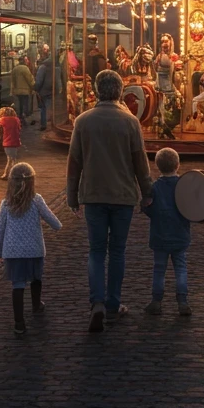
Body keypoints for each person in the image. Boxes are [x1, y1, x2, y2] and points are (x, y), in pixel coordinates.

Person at [67, 69, 154, 332]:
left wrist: (72, 195)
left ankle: (97, 303)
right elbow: (140, 162)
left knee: (95, 250)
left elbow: (74, 162)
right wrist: (147, 192)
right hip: (122, 195)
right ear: (120, 91)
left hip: (93, 194)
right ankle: (114, 304)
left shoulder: (83, 121)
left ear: (95, 90)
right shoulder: (130, 122)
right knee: (117, 251)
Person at [0, 162, 63, 335]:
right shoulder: (36, 200)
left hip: (13, 252)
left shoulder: (6, 204)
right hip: (34, 250)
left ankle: (19, 323)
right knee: (36, 278)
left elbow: (0, 230)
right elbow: (54, 223)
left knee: (17, 285)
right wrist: (58, 225)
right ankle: (36, 304)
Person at [143, 148, 193, 317]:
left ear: (157, 166)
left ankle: (156, 301)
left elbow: (148, 209)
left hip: (160, 235)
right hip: (180, 234)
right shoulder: (184, 186)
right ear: (178, 165)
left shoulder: (155, 187)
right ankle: (183, 301)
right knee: (180, 268)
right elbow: (191, 210)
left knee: (159, 269)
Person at [0, 107, 22, 180]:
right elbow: (19, 128)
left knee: (10, 159)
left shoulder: (3, 119)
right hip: (15, 141)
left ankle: (8, 174)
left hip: (7, 142)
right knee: (13, 159)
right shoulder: (16, 119)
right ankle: (11, 174)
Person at [11, 57, 35, 126]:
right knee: (25, 105)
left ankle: (19, 118)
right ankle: (25, 119)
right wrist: (33, 86)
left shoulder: (15, 69)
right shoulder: (25, 69)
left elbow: (13, 80)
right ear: (24, 61)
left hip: (17, 91)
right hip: (25, 91)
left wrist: (13, 90)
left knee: (19, 105)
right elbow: (29, 79)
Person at [34, 50, 54, 130]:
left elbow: (39, 80)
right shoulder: (54, 66)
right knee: (50, 107)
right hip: (51, 89)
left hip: (44, 91)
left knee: (43, 108)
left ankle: (44, 124)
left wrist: (36, 89)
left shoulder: (42, 67)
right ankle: (52, 123)